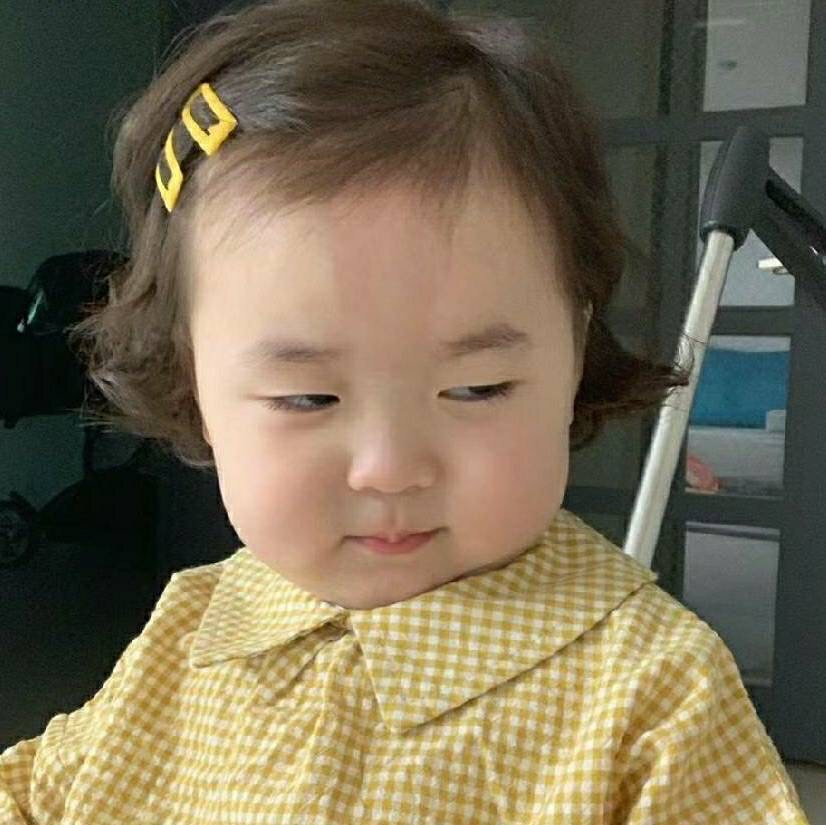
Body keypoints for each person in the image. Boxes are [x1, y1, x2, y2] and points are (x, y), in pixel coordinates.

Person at [1, 0, 811, 822]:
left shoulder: (653, 696)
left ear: (572, 350)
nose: (390, 468)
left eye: (477, 388)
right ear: (195, 383)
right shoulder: (193, 629)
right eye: (308, 397)